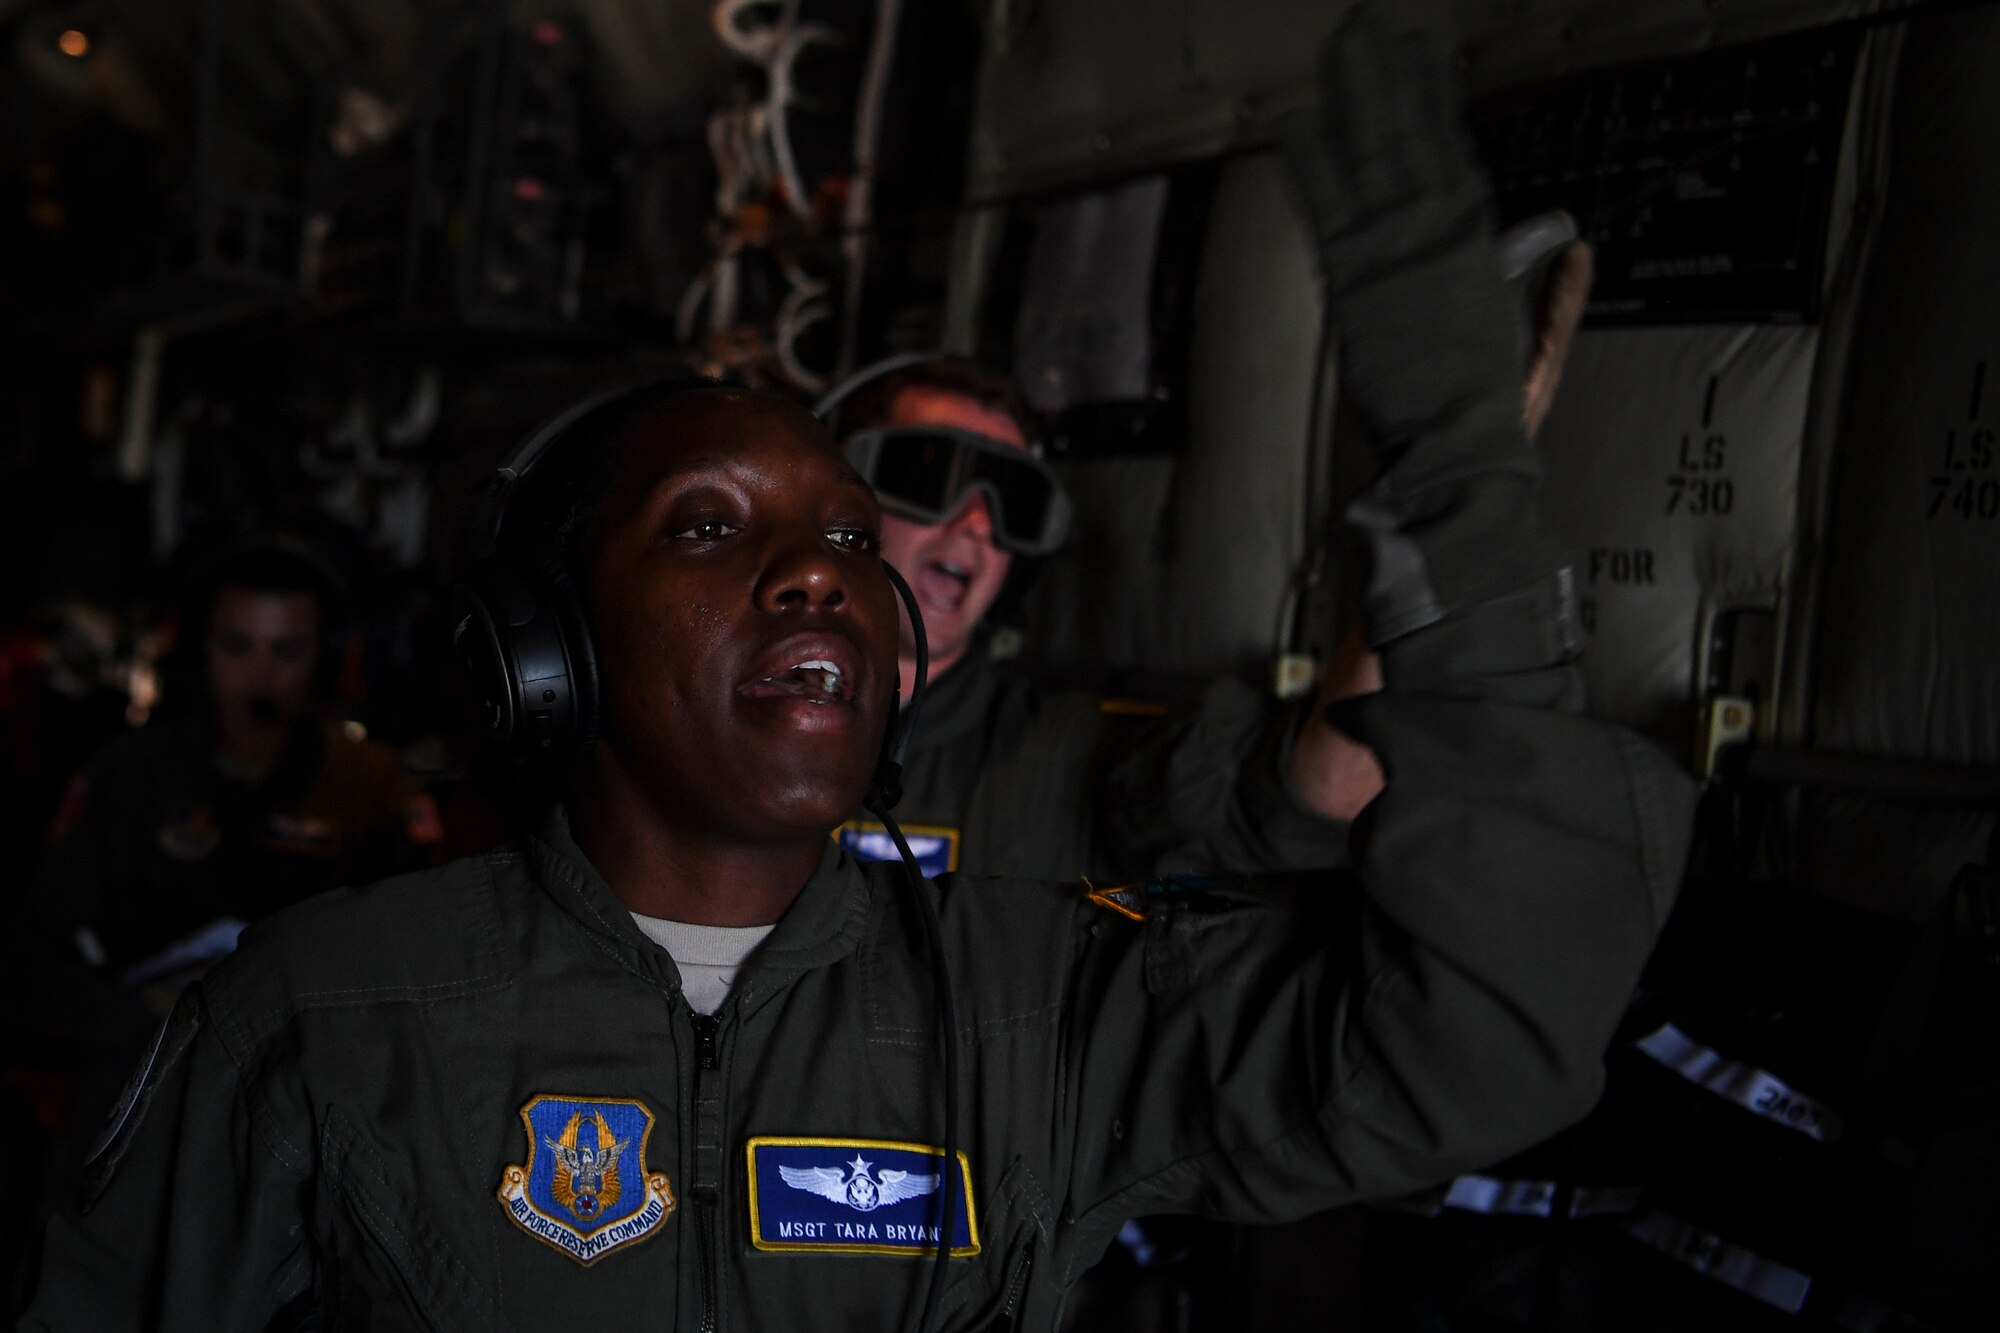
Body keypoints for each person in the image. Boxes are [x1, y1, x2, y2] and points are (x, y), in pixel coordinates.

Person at [18, 9, 1691, 1329]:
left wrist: (1464, 500)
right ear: (546, 648)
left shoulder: (1044, 1009)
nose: (835, 562)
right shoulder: (323, 1012)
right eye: (709, 528)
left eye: (837, 537)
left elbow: (1476, 1039)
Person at [819, 231, 1592, 890]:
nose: (977, 523)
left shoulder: (1051, 759)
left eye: (1012, 499)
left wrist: (1450, 494)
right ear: (828, 495)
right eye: (932, 476)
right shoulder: (711, 706)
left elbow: (1305, 794)